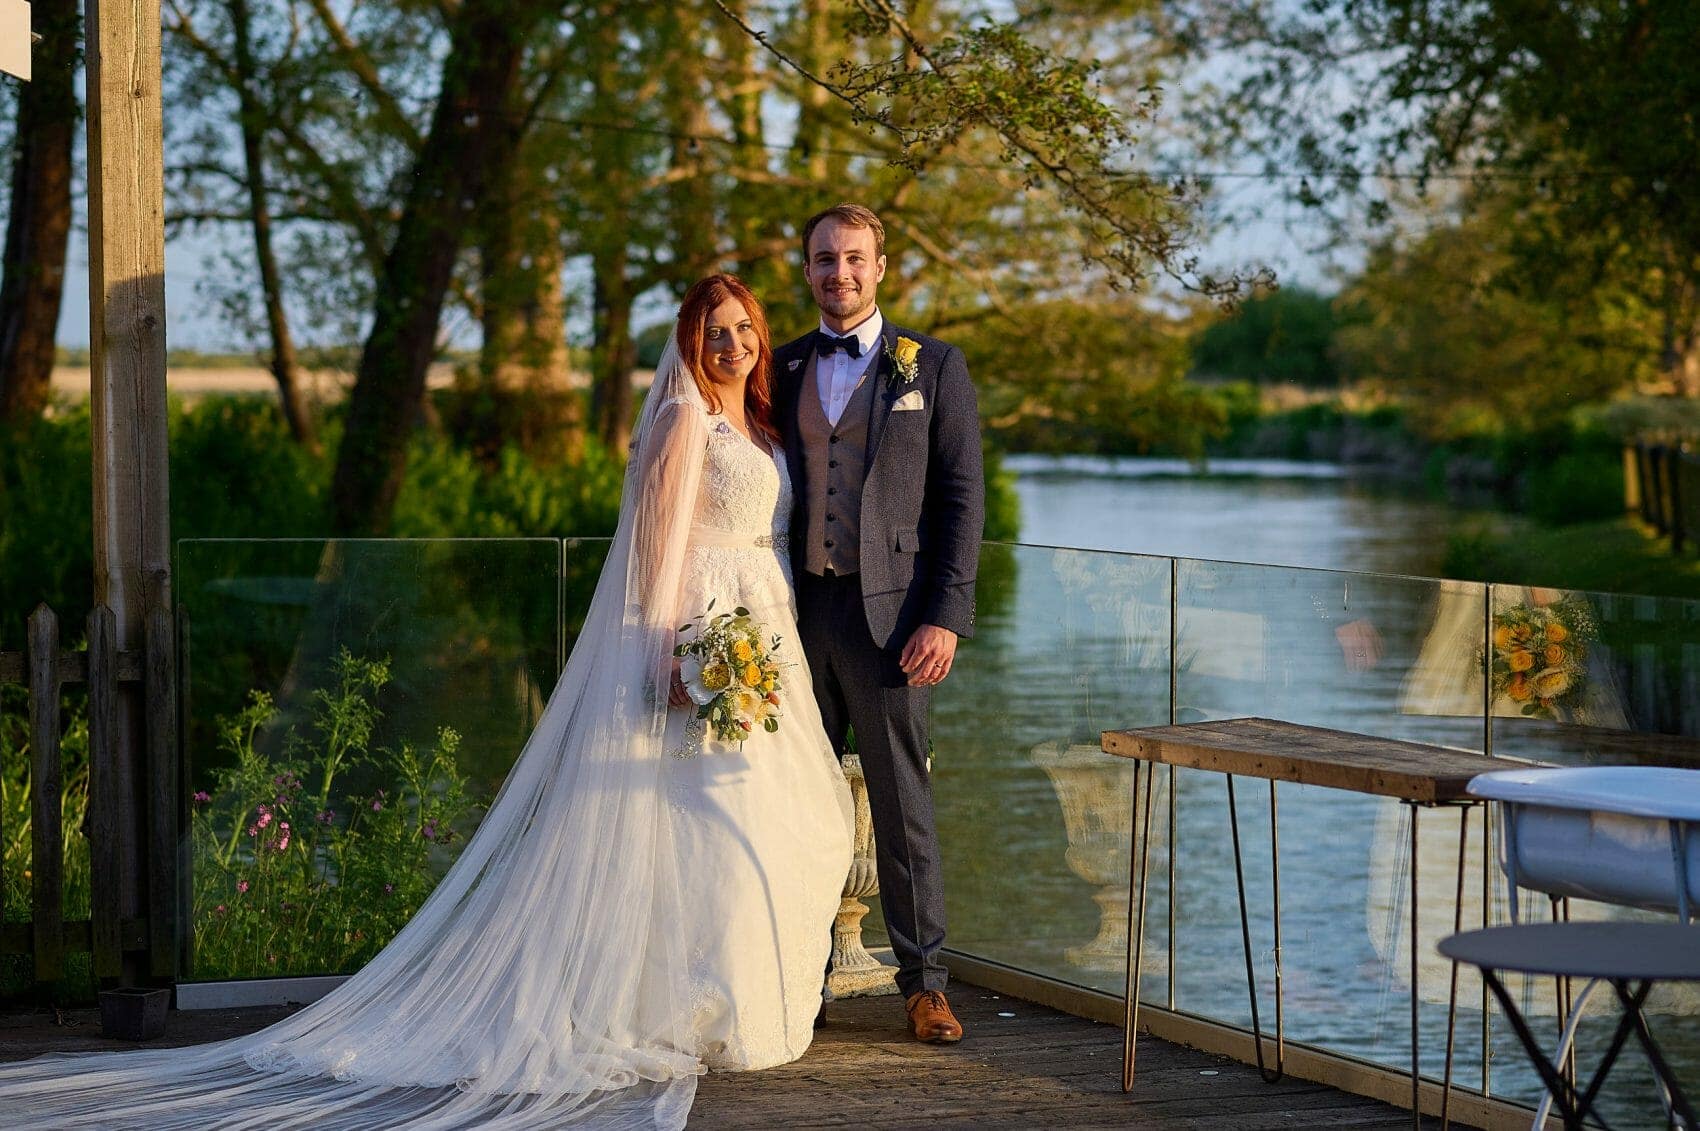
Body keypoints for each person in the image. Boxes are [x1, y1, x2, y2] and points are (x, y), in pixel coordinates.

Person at [0, 274, 853, 1129]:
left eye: (743, 327)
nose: (731, 343)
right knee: (698, 817)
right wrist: (671, 649)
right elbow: (653, 549)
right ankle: (692, 1007)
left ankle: (738, 993)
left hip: (762, 634)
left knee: (776, 820)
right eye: (714, 329)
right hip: (703, 636)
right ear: (687, 341)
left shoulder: (761, 424)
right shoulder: (682, 422)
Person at [772, 203, 985, 1043]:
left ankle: (924, 982)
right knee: (786, 801)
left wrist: (947, 615)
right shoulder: (779, 364)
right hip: (793, 616)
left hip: (892, 620)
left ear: (882, 265)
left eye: (854, 258)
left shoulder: (932, 366)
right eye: (824, 260)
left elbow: (963, 499)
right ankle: (793, 976)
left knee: (902, 804)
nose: (840, 274)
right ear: (808, 271)